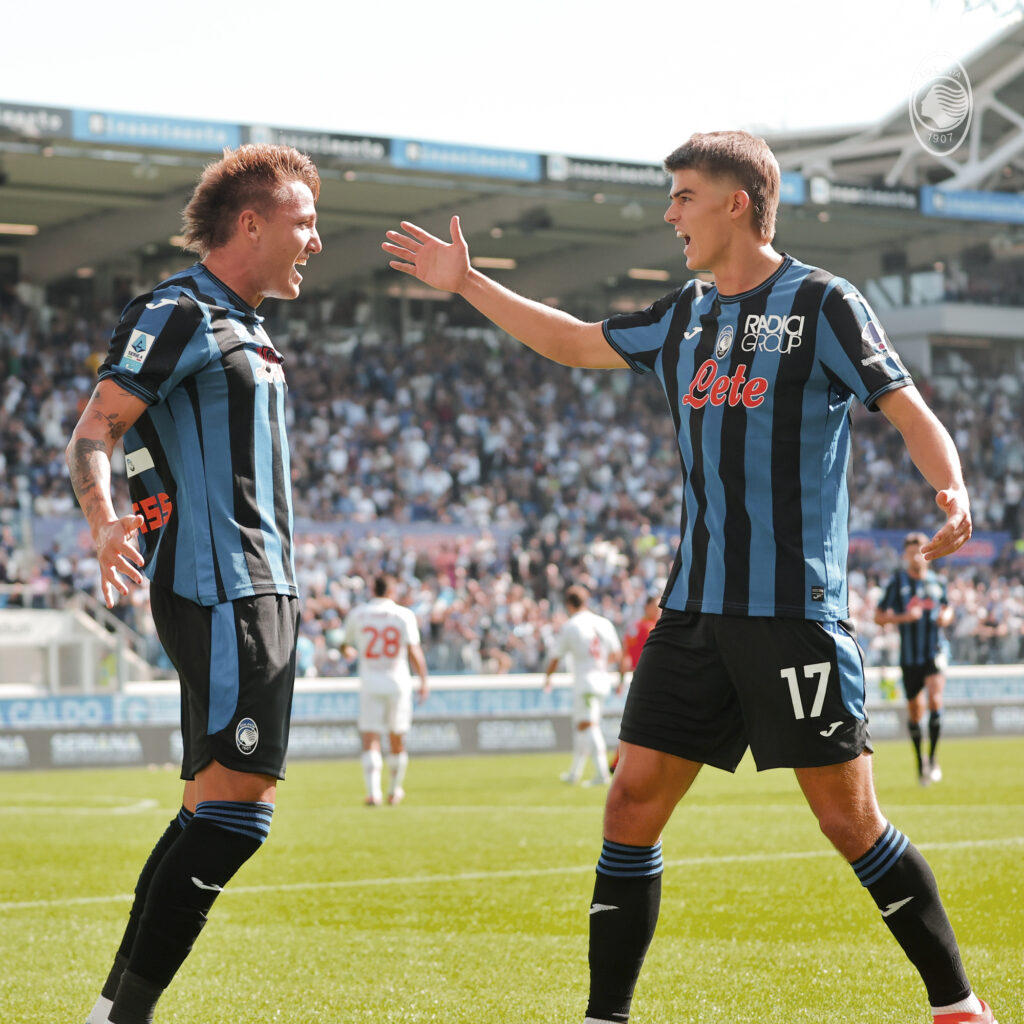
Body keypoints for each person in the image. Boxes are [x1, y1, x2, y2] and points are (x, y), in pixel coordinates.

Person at [382, 130, 996, 1024]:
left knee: (847, 821)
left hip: (792, 612)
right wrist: (469, 283)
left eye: (683, 194)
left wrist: (949, 484)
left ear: (736, 201)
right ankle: (606, 1017)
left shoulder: (823, 303)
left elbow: (905, 405)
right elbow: (574, 342)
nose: (669, 213)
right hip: (693, 611)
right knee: (628, 803)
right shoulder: (685, 313)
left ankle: (957, 1005)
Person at [67, 143, 322, 1024]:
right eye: (303, 222)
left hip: (257, 590)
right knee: (236, 818)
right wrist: (107, 521)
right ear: (250, 223)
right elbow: (96, 430)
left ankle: (111, 1015)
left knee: (203, 813)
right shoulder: (178, 311)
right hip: (222, 590)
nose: (316, 240)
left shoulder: (246, 324)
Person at [874, 532, 955, 786]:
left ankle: (933, 759)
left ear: (927, 553)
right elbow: (879, 616)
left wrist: (946, 617)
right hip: (909, 657)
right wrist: (903, 618)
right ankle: (921, 762)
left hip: (935, 651)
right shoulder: (898, 582)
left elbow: (947, 608)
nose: (915, 556)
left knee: (935, 698)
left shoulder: (937, 582)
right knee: (915, 712)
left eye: (919, 550)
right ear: (905, 555)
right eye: (910, 552)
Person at [342, 574, 429, 806]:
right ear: (392, 590)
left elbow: (345, 644)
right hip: (398, 682)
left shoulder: (358, 614)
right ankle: (394, 790)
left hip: (370, 682)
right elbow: (414, 651)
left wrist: (347, 652)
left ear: (373, 589)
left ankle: (373, 793)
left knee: (371, 737)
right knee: (397, 738)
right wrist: (424, 680)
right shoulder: (404, 614)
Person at [543, 585, 623, 786]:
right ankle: (574, 773)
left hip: (585, 681)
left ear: (569, 604)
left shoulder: (571, 626)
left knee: (589, 725)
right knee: (581, 725)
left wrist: (548, 677)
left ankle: (602, 774)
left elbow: (555, 656)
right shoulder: (603, 622)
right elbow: (617, 654)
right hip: (602, 678)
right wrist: (604, 666)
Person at [609, 594, 663, 773]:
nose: (658, 610)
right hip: (649, 680)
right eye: (656, 607)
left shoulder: (633, 627)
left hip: (635, 678)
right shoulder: (652, 627)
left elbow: (626, 656)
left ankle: (618, 761)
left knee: (633, 723)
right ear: (647, 607)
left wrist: (621, 679)